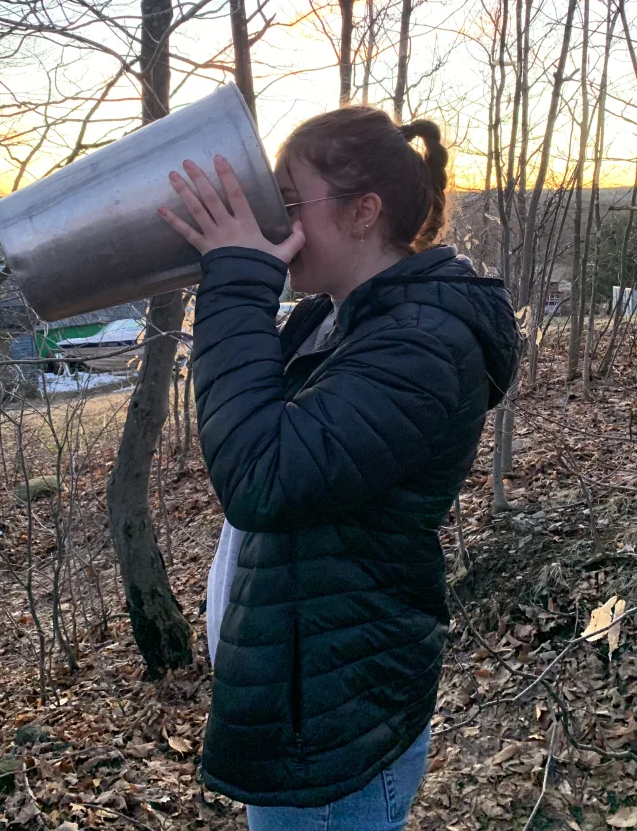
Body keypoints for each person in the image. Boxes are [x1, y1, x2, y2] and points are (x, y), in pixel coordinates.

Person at [158, 106, 522, 830]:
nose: (272, 222)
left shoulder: (424, 347)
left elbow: (261, 473)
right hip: (311, 695)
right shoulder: (336, 317)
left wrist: (235, 280)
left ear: (364, 213)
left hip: (337, 724)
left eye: (288, 203)